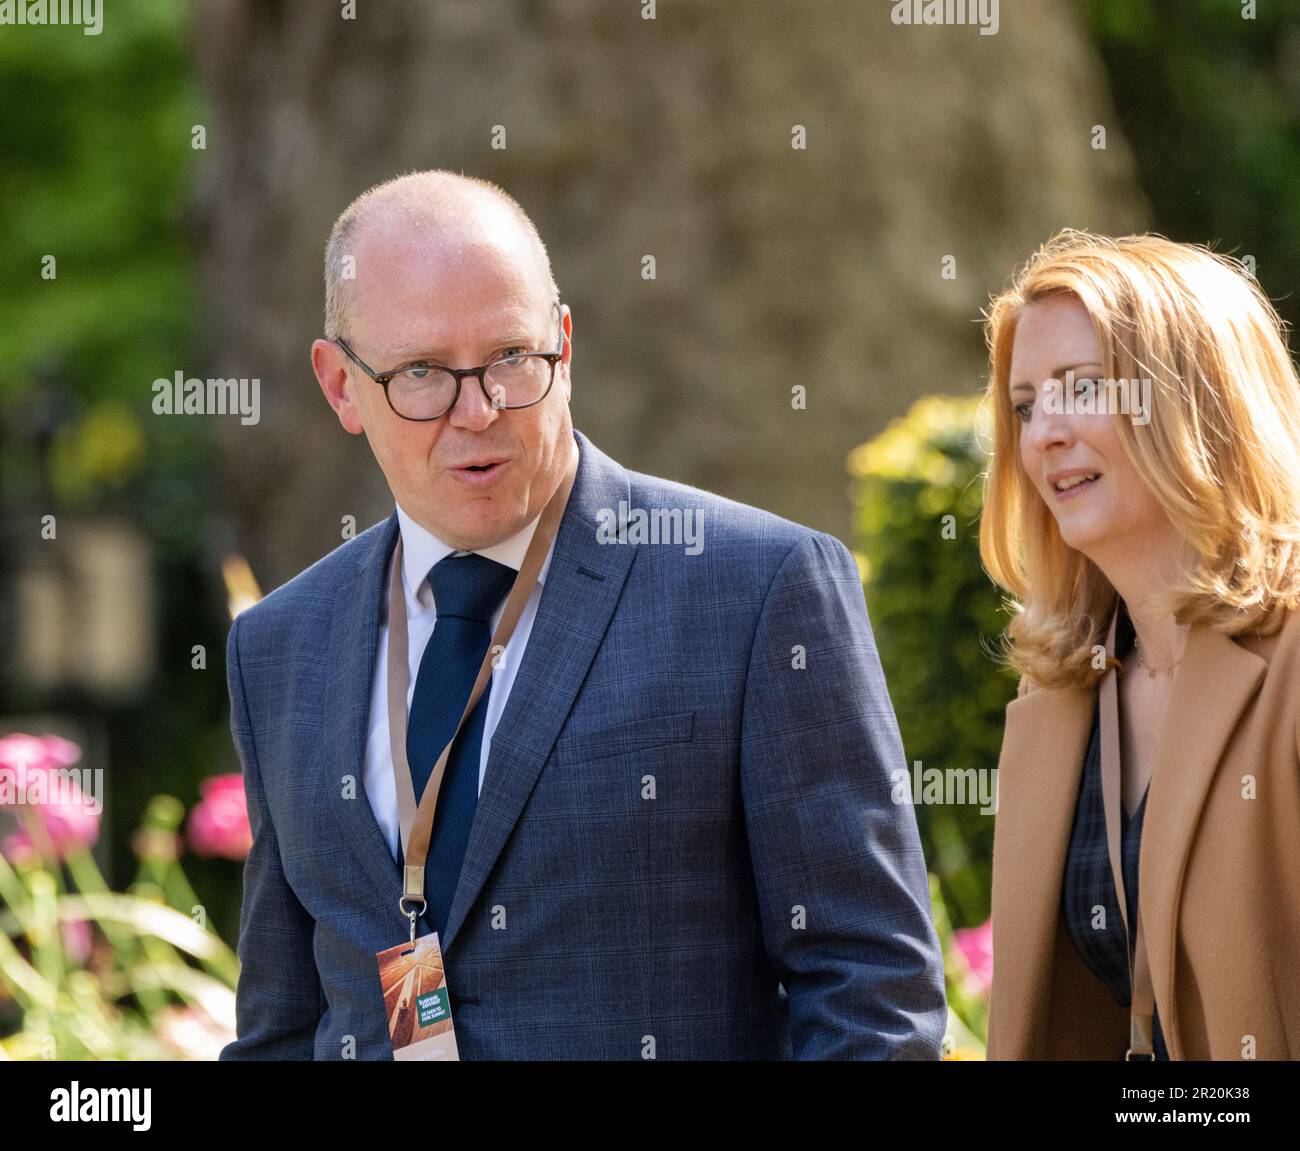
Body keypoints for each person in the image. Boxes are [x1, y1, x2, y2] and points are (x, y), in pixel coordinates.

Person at [219, 169, 946, 1060]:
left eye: (510, 359)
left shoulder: (759, 590)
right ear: (339, 385)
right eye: (421, 374)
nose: (477, 411)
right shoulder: (279, 646)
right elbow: (282, 1030)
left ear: (564, 342)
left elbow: (873, 998)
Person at [979, 229, 1300, 1059]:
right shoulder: (1055, 697)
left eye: (1081, 389)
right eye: (1024, 405)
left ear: (1197, 402)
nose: (1042, 433)